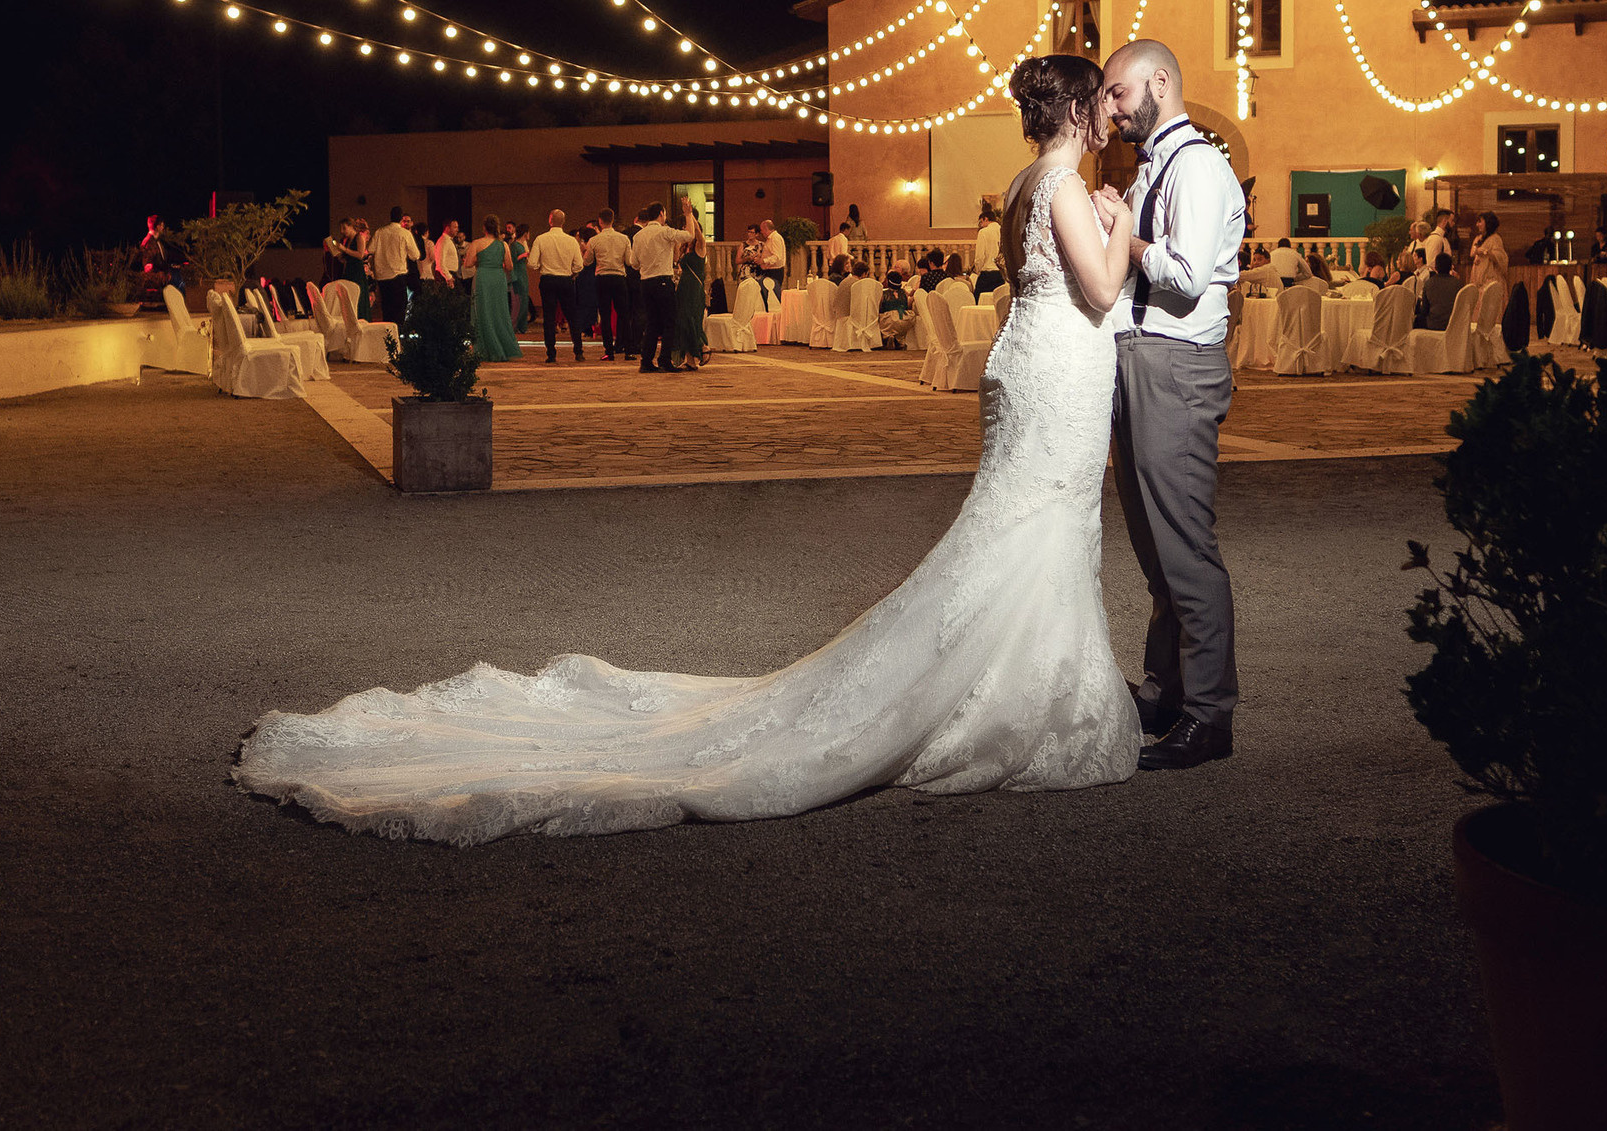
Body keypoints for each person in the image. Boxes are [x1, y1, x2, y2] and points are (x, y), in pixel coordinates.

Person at [234, 50, 1144, 843]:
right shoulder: (1063, 185)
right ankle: (1020, 703)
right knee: (1032, 526)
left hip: (1037, 366)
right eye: (1099, 101)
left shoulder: (1028, 183)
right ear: (1072, 111)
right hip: (1057, 368)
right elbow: (1102, 289)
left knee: (1022, 526)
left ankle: (1021, 685)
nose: (1109, 115)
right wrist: (1127, 217)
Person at [1099, 39, 1248, 772]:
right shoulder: (1152, 167)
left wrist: (1125, 238)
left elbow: (1187, 274)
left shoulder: (1199, 165)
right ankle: (1165, 692)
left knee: (1186, 547)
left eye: (1118, 93)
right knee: (1157, 551)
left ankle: (1210, 715)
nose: (1112, 108)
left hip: (1177, 366)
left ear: (1161, 80)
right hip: (1140, 361)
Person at [630, 202, 689, 373]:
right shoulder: (665, 231)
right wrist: (688, 215)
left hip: (645, 282)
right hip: (662, 280)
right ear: (661, 214)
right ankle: (664, 360)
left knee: (652, 323)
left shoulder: (639, 236)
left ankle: (646, 361)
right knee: (670, 321)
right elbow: (689, 236)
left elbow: (634, 264)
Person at [529, 210, 588, 363]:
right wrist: (571, 272)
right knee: (572, 316)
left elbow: (532, 263)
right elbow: (579, 265)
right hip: (566, 280)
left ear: (550, 220)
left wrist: (544, 265)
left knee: (549, 318)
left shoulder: (541, 239)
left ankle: (551, 354)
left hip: (548, 280)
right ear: (563, 222)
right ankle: (578, 352)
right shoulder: (571, 241)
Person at [468, 216, 522, 363]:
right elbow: (509, 266)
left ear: (484, 228)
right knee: (499, 311)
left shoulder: (477, 243)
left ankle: (483, 348)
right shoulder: (503, 245)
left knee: (482, 310)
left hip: (483, 277)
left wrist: (481, 260)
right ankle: (502, 346)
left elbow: (468, 263)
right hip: (498, 278)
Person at [669, 198, 710, 371]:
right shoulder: (684, 249)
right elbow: (675, 261)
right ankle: (691, 359)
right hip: (683, 287)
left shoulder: (700, 247)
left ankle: (702, 347)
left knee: (691, 319)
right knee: (682, 321)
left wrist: (689, 214)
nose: (686, 230)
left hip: (694, 288)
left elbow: (698, 234)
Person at [589, 210, 634, 361]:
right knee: (624, 314)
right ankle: (628, 350)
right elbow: (629, 261)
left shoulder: (595, 240)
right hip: (619, 278)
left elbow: (587, 261)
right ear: (613, 220)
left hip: (602, 278)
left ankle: (609, 351)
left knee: (605, 315)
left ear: (600, 221)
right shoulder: (624, 239)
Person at [369, 207, 419, 325]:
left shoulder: (380, 232)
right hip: (398, 276)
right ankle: (397, 338)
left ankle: (387, 337)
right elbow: (415, 255)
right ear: (401, 219)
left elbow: (370, 249)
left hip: (382, 277)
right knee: (399, 310)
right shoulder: (405, 233)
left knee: (386, 309)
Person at [1418, 250, 1464, 331]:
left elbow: (1424, 310)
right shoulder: (1458, 284)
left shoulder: (1429, 283)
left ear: (1436, 267)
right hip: (1454, 325)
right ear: (1450, 267)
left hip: (1434, 325)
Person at [1468, 211, 1509, 297]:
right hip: (1478, 281)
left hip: (1491, 282)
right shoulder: (1478, 238)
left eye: (1480, 222)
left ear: (1488, 223)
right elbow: (1472, 254)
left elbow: (1501, 257)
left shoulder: (1495, 239)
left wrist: (1485, 251)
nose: (1477, 224)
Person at [972, 203, 1004, 297]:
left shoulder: (983, 232)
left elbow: (980, 257)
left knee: (979, 301)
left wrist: (978, 270)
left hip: (987, 274)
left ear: (986, 219)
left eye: (981, 222)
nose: (981, 225)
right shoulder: (1003, 231)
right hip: (1001, 275)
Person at [754, 219, 787, 306]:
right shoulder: (770, 238)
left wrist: (763, 260)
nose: (761, 232)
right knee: (767, 298)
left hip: (775, 272)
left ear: (766, 229)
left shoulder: (775, 238)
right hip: (769, 271)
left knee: (774, 298)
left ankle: (777, 316)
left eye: (762, 230)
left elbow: (777, 256)